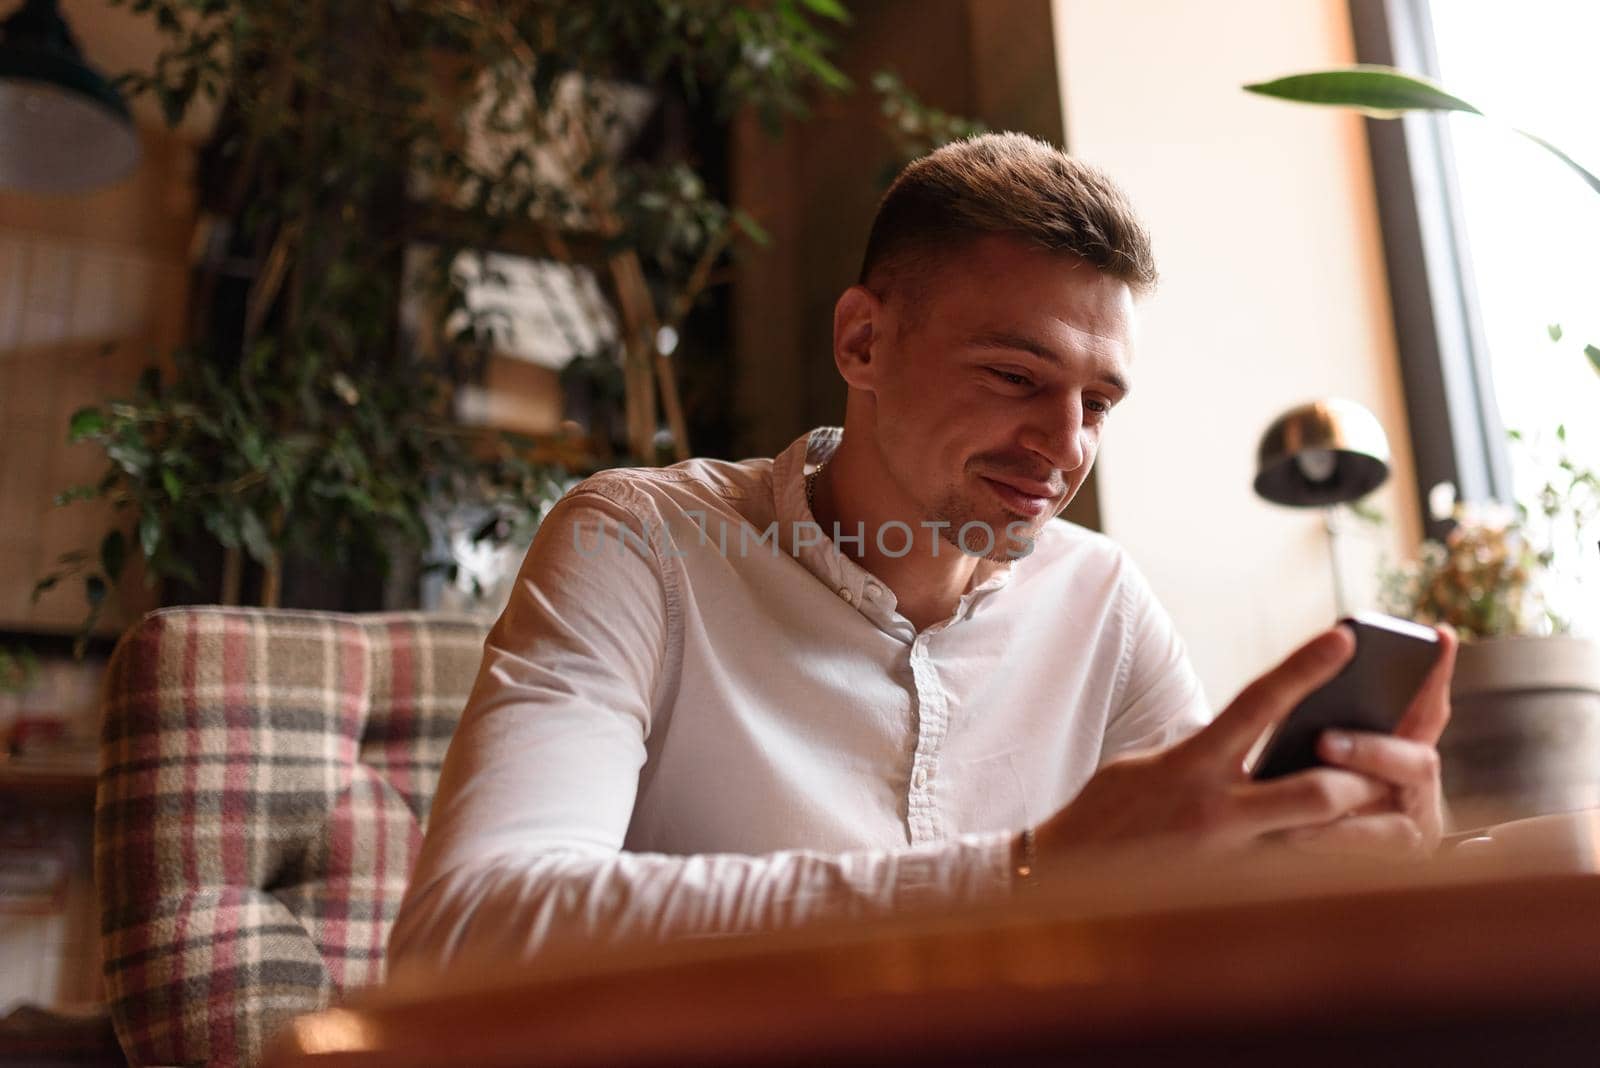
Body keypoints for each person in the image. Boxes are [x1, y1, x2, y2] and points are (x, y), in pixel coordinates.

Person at [388, 132, 1456, 973]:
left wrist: (1337, 876)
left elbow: (1198, 919)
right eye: (1013, 376)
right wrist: (1028, 873)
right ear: (861, 342)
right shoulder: (642, 542)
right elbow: (472, 923)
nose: (1065, 445)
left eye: (1099, 401)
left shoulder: (1102, 598)